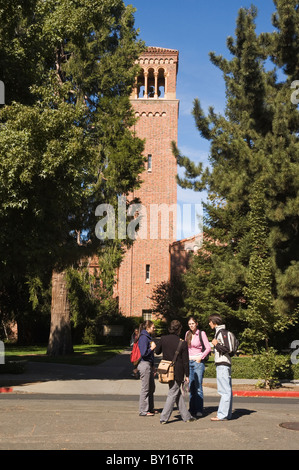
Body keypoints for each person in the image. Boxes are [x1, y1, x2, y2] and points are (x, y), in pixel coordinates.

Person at [155, 320, 195, 424]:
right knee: (173, 393)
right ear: (179, 329)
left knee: (176, 393)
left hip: (166, 370)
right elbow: (185, 361)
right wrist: (187, 375)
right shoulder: (182, 342)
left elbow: (157, 351)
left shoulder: (163, 339)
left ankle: (186, 416)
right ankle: (163, 417)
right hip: (178, 371)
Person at [185, 316, 211, 418]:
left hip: (198, 362)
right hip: (189, 362)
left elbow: (208, 348)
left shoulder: (201, 333)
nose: (191, 325)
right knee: (191, 386)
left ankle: (199, 409)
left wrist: (201, 357)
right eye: (189, 324)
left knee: (198, 386)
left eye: (193, 323)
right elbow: (186, 348)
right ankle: (192, 409)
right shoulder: (187, 333)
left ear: (196, 323)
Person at [208, 314, 233, 421]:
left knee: (224, 391)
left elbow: (226, 349)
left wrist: (216, 344)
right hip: (225, 363)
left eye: (210, 321)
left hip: (222, 364)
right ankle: (227, 414)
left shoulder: (221, 333)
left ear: (214, 322)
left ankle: (222, 414)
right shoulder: (221, 332)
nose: (209, 324)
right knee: (227, 390)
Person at [137, 320, 157, 416]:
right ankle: (143, 411)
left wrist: (153, 366)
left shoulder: (148, 337)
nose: (154, 329)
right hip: (144, 364)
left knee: (151, 387)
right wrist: (151, 348)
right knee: (145, 388)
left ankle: (150, 408)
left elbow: (149, 355)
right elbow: (144, 353)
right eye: (153, 327)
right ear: (147, 328)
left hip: (149, 364)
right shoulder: (143, 338)